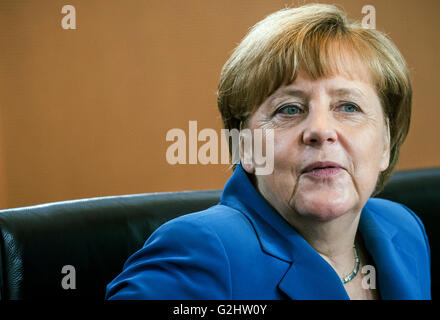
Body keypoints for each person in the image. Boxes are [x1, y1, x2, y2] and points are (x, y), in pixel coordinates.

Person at [105, 4, 431, 300]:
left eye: (348, 106)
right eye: (289, 109)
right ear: (243, 146)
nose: (320, 130)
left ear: (386, 142)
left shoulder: (402, 230)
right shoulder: (202, 251)